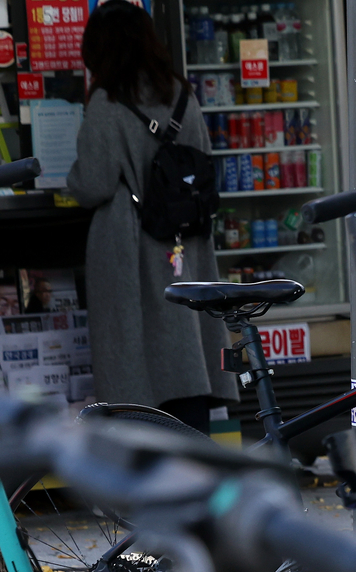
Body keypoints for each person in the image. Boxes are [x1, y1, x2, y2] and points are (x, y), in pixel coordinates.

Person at [67, 2, 235, 434]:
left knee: (134, 362)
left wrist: (68, 179)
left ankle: (148, 471)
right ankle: (197, 463)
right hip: (185, 240)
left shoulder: (107, 101)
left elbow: (94, 184)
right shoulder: (181, 93)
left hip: (130, 244)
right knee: (186, 350)